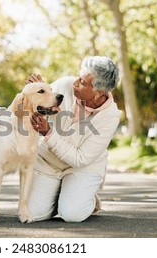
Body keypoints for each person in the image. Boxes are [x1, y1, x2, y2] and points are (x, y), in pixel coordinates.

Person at [26, 56, 121, 223]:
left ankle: (84, 198)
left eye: (83, 82)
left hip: (82, 167)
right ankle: (64, 194)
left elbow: (81, 158)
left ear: (99, 93)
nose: (75, 82)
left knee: (72, 214)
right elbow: (33, 111)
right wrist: (37, 91)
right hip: (48, 162)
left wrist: (48, 133)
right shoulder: (64, 86)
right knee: (32, 214)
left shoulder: (110, 116)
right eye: (78, 76)